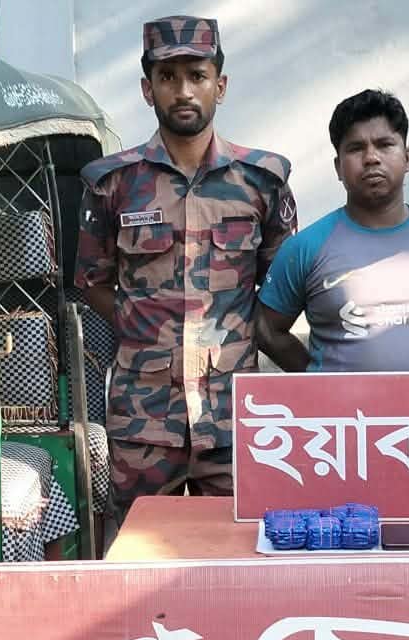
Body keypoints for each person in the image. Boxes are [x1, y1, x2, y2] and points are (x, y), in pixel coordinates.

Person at [74, 15, 297, 515]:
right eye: (167, 77)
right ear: (147, 89)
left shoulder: (262, 182)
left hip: (235, 417)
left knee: (242, 547)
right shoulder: (112, 184)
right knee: (142, 550)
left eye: (197, 76)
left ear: (221, 85)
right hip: (143, 420)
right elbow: (92, 280)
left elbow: (282, 285)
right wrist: (144, 329)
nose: (183, 91)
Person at [255, 89, 409, 372]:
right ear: (338, 167)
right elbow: (266, 329)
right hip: (337, 404)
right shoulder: (304, 248)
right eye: (356, 148)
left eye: (384, 144)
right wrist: (316, 381)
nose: (371, 158)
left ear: (408, 158)